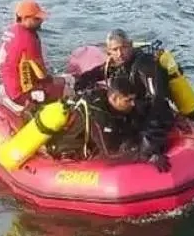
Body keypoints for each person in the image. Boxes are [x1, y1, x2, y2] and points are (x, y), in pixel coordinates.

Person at [72, 29, 175, 166]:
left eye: (123, 48)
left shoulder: (145, 66)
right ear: (109, 51)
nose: (120, 53)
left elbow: (158, 103)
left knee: (145, 146)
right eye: (115, 49)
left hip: (151, 115)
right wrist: (78, 86)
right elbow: (94, 75)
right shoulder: (116, 64)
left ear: (131, 45)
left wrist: (149, 145)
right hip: (131, 112)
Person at [45, 75, 169, 171]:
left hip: (100, 139)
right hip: (70, 148)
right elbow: (110, 154)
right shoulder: (98, 114)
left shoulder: (119, 106)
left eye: (133, 99)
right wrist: (146, 156)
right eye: (128, 100)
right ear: (114, 98)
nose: (132, 104)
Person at [0, 0, 67, 114]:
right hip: (22, 94)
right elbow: (41, 74)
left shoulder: (11, 30)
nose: (41, 21)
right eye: (37, 19)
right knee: (68, 88)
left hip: (9, 85)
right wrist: (57, 82)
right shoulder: (28, 39)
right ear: (25, 18)